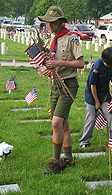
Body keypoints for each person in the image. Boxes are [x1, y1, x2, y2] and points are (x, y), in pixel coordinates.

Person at [38, 6, 84, 174]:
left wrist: (58, 63)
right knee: (63, 124)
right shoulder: (50, 40)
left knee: (56, 123)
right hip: (55, 86)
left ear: (60, 22)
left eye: (52, 23)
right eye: (47, 23)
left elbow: (80, 63)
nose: (49, 26)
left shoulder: (72, 39)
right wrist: (46, 69)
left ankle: (55, 161)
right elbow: (47, 61)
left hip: (68, 85)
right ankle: (69, 158)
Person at [78, 47, 112, 148]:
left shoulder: (110, 64)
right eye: (109, 64)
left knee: (111, 117)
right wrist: (96, 102)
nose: (110, 66)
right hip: (92, 97)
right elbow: (93, 86)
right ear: (104, 60)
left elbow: (111, 74)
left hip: (104, 96)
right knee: (91, 119)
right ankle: (84, 142)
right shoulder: (97, 67)